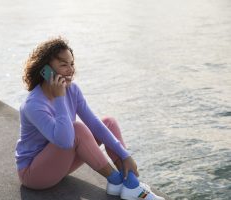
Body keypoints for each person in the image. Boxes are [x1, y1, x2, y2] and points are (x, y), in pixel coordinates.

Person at [15, 37, 164, 200]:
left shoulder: (72, 90)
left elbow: (94, 124)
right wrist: (59, 98)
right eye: (63, 65)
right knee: (76, 129)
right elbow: (65, 141)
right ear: (45, 70)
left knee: (109, 122)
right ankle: (117, 180)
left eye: (71, 64)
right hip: (34, 174)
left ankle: (130, 184)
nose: (70, 70)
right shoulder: (34, 105)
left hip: (60, 165)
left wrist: (125, 155)